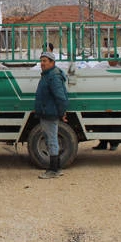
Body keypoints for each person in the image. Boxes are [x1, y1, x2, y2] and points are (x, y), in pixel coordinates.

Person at [34, 51, 69, 179]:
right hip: (46, 112)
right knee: (51, 139)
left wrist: (61, 113)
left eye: (45, 61)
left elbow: (60, 97)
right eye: (41, 61)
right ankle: (57, 168)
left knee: (52, 140)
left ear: (52, 62)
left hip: (50, 113)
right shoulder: (48, 75)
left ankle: (53, 170)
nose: (42, 63)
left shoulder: (53, 77)